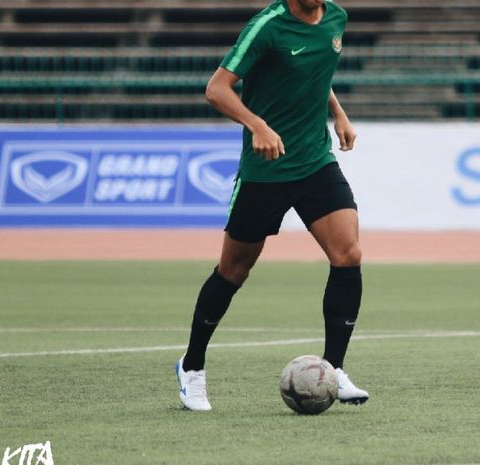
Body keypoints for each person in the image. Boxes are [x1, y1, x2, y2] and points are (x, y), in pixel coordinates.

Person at [175, 0, 369, 411]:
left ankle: (332, 370)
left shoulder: (336, 18)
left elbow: (315, 72)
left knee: (348, 253)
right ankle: (191, 368)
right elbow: (216, 88)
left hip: (315, 161)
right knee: (233, 271)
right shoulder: (267, 26)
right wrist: (257, 124)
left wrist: (338, 112)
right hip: (266, 169)